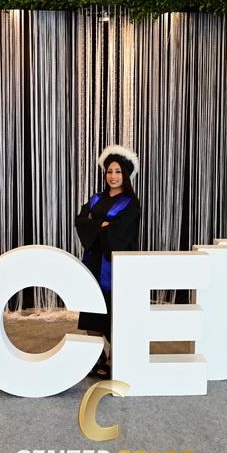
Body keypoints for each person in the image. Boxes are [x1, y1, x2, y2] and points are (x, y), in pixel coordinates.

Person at [75, 145, 140, 379]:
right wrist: (101, 225)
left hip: (116, 266)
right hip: (93, 262)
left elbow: (120, 233)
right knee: (92, 309)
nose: (113, 176)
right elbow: (81, 221)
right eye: (109, 171)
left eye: (118, 172)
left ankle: (114, 357)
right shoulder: (96, 199)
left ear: (126, 174)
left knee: (114, 312)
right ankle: (99, 355)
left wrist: (98, 225)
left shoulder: (130, 203)